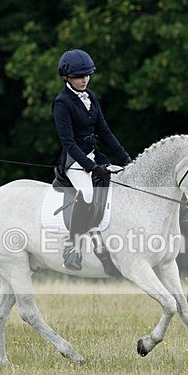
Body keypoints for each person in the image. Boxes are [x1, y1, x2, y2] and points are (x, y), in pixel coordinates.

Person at [53, 48, 131, 271]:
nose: (84, 79)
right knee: (87, 194)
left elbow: (104, 132)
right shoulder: (62, 103)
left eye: (87, 75)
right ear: (67, 77)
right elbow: (68, 143)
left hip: (95, 156)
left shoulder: (92, 96)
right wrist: (91, 167)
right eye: (79, 76)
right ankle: (72, 246)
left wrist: (125, 156)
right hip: (75, 161)